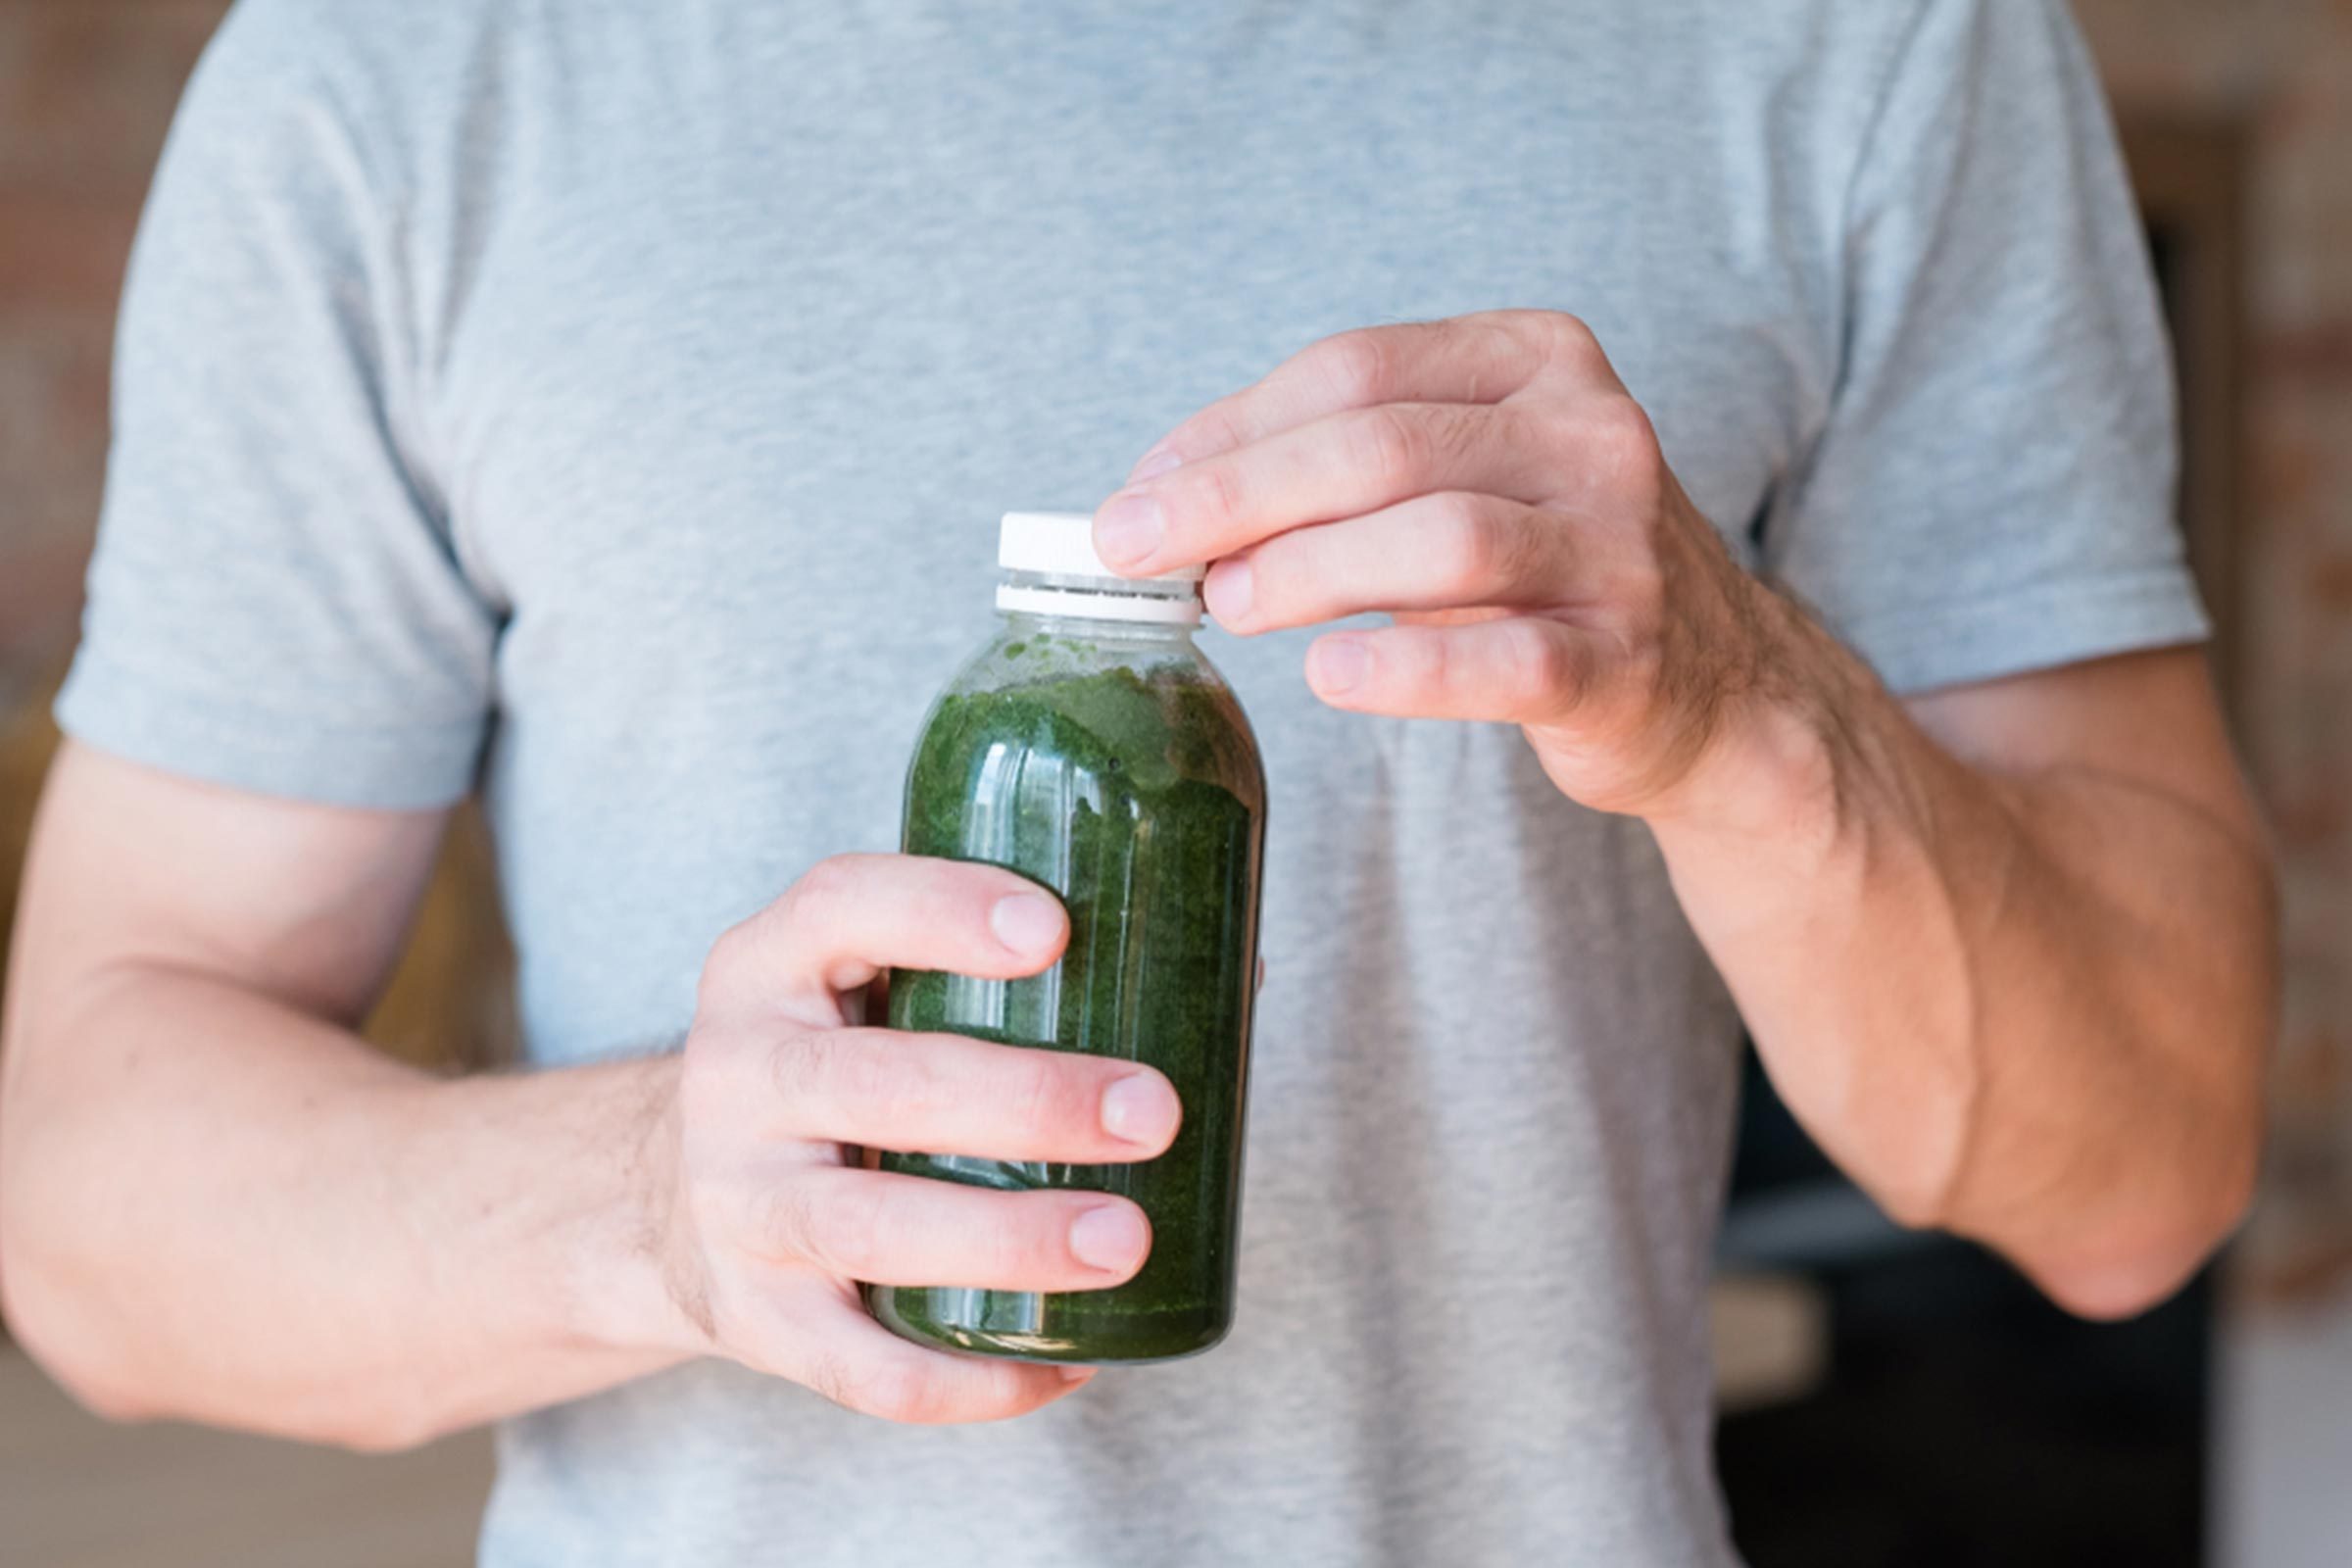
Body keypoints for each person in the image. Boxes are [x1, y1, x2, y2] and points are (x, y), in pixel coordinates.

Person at [0, 0, 2278, 1562]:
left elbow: (2144, 1169)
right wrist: (665, 1200)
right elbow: (93, 1218)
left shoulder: (1865, 42)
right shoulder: (401, 75)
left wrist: (1754, 708)